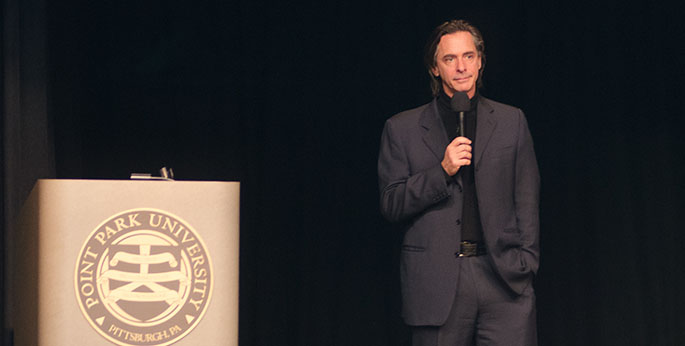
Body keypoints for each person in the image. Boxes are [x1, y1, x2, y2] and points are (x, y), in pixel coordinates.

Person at [378, 19, 540, 346]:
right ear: (435, 69)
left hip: (503, 278)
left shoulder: (512, 121)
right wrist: (441, 171)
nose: (461, 66)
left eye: (468, 56)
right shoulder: (402, 128)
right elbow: (391, 203)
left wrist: (525, 262)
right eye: (449, 59)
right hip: (438, 284)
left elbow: (526, 196)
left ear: (480, 62)